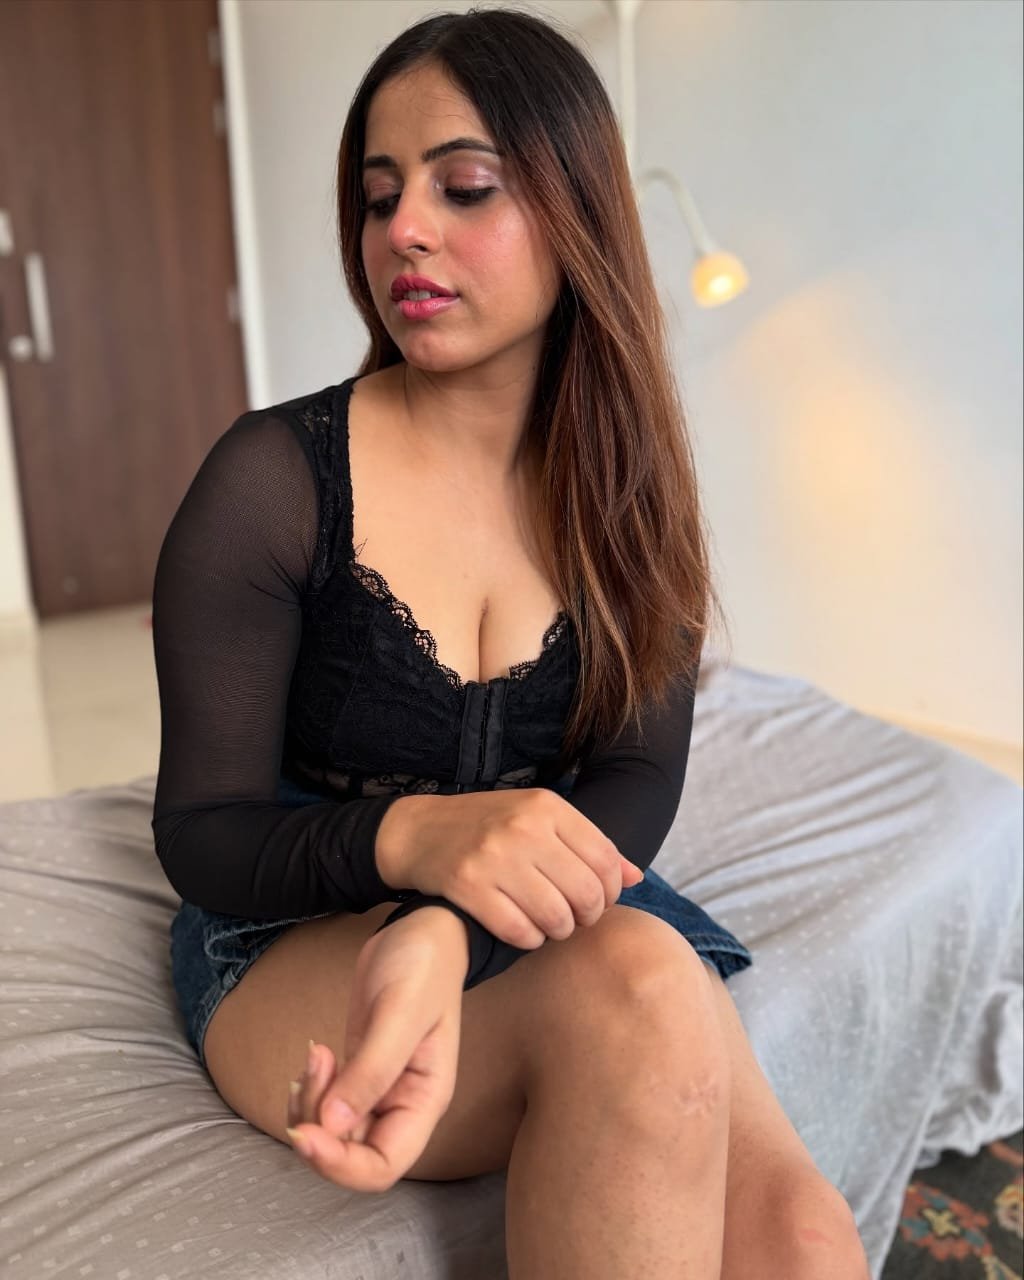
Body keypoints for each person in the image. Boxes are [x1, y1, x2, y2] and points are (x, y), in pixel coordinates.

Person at [152, 8, 870, 1278]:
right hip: (293, 921)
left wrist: (452, 926)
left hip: (541, 901)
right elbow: (202, 833)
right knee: (637, 992)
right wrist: (410, 843)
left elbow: (634, 780)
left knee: (808, 1241)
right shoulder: (270, 480)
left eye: (464, 186)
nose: (404, 231)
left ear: (575, 210)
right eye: (380, 197)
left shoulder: (631, 488)